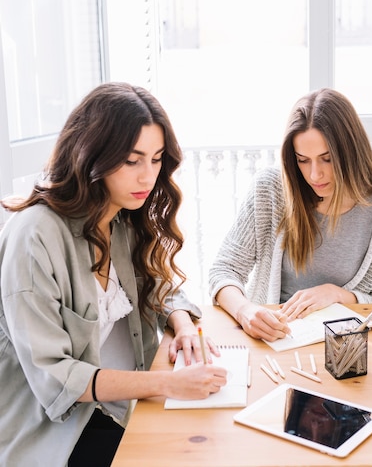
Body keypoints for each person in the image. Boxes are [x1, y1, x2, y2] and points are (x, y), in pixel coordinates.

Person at [0, 82, 227, 466]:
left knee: (217, 440)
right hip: (59, 433)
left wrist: (183, 324)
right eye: (131, 160)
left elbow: (159, 282)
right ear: (92, 154)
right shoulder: (34, 236)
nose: (147, 177)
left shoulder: (122, 216)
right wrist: (167, 384)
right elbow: (55, 376)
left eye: (156, 160)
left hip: (122, 407)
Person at [209, 88, 372, 341]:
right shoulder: (270, 190)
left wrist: (336, 294)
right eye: (303, 160)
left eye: (326, 159)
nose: (315, 175)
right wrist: (246, 311)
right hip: (273, 342)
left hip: (343, 350)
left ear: (351, 154)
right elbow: (224, 270)